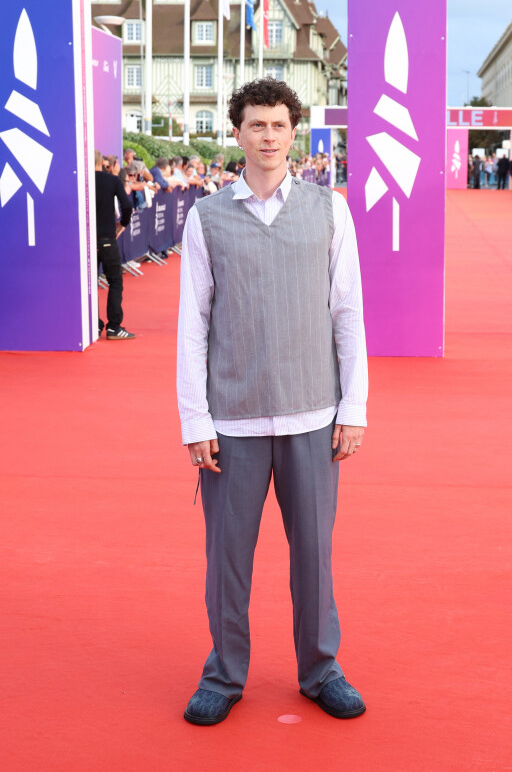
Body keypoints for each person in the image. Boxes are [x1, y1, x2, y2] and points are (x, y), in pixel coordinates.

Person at [177, 77, 368, 726]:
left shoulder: (329, 209)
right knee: (226, 561)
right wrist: (194, 419)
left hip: (314, 412)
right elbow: (192, 327)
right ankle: (224, 675)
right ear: (237, 132)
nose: (267, 136)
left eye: (278, 125)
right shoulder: (205, 217)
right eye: (255, 125)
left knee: (314, 555)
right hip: (233, 418)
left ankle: (321, 669)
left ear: (294, 132)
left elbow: (348, 314)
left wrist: (354, 406)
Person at [94, 149, 136, 340]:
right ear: (102, 161)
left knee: (88, 284)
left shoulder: (81, 181)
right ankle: (113, 327)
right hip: (107, 239)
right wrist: (122, 224)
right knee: (115, 281)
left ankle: (92, 324)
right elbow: (127, 206)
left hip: (86, 241)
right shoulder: (112, 181)